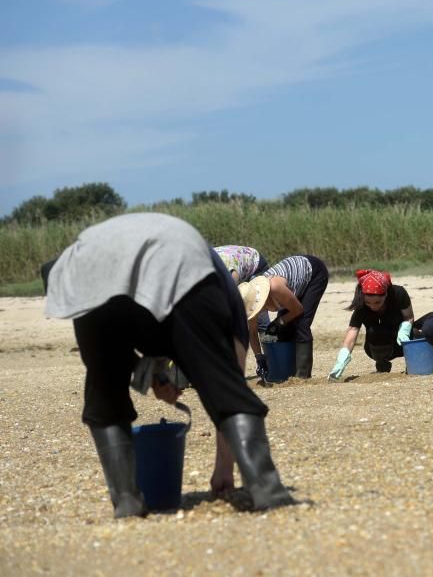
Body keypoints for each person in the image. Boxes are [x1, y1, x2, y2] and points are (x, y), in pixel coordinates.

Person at [41, 213, 294, 518]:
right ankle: (268, 490)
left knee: (104, 392)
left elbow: (119, 346)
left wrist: (155, 375)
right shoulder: (220, 286)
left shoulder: (80, 260)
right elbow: (228, 380)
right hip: (177, 259)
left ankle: (127, 503)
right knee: (223, 387)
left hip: (86, 271)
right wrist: (224, 472)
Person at [328, 269, 433, 379]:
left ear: (386, 294)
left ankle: (416, 365)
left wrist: (404, 329)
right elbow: (353, 330)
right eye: (368, 303)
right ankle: (382, 365)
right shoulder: (361, 305)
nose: (373, 306)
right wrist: (342, 358)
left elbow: (408, 317)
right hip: (377, 345)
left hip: (401, 342)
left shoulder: (398, 293)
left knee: (431, 318)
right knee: (375, 331)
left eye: (377, 302)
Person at [250, 254, 329, 379]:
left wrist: (278, 322)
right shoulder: (250, 302)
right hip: (292, 285)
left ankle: (303, 376)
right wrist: (260, 359)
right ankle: (289, 371)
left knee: (301, 324)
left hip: (314, 273)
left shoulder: (275, 288)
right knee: (283, 328)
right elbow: (253, 333)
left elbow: (298, 309)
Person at [214, 245, 271, 377]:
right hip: (237, 265)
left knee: (256, 315)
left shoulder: (229, 274)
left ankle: (270, 361)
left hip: (255, 265)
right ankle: (260, 360)